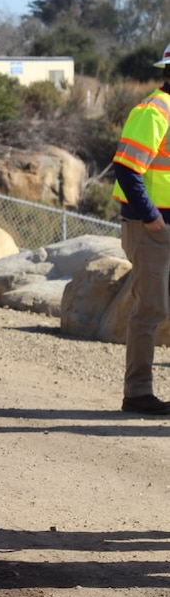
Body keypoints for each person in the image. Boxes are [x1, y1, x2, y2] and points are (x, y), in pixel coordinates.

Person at [112, 43, 170, 416]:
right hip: (153, 228)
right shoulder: (154, 111)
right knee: (150, 309)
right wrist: (152, 218)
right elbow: (127, 169)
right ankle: (137, 393)